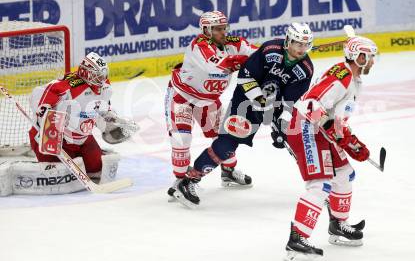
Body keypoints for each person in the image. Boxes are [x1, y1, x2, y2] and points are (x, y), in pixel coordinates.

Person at [174, 22, 316, 207]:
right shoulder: (269, 50)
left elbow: (291, 101)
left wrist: (280, 123)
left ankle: (319, 186)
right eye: (298, 43)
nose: (302, 49)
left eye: (306, 45)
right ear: (288, 41)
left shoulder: (305, 69)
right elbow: (245, 76)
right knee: (227, 143)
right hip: (245, 101)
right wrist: (260, 101)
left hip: (267, 107)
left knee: (293, 138)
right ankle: (189, 181)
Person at [283, 36, 378, 259]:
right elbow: (311, 105)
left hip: (320, 128)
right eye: (370, 57)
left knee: (345, 174)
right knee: (320, 185)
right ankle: (297, 239)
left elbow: (335, 117)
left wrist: (349, 139)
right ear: (359, 57)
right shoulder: (342, 76)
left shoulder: (354, 80)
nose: (373, 61)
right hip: (305, 126)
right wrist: (336, 132)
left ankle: (338, 225)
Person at [165, 11, 257, 198]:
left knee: (227, 136)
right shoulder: (198, 46)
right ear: (206, 30)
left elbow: (257, 53)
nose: (223, 32)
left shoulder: (234, 43)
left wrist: (276, 54)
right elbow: (217, 65)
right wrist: (243, 61)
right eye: (217, 29)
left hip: (209, 101)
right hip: (183, 97)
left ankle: (228, 172)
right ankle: (180, 182)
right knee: (181, 139)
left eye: (224, 28)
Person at [24, 52, 138, 195]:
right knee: (57, 176)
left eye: (103, 75)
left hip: (82, 138)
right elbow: (39, 93)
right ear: (86, 72)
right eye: (98, 75)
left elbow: (103, 109)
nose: (102, 79)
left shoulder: (104, 87)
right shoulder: (71, 85)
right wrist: (44, 109)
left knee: (97, 169)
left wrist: (111, 120)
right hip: (55, 138)